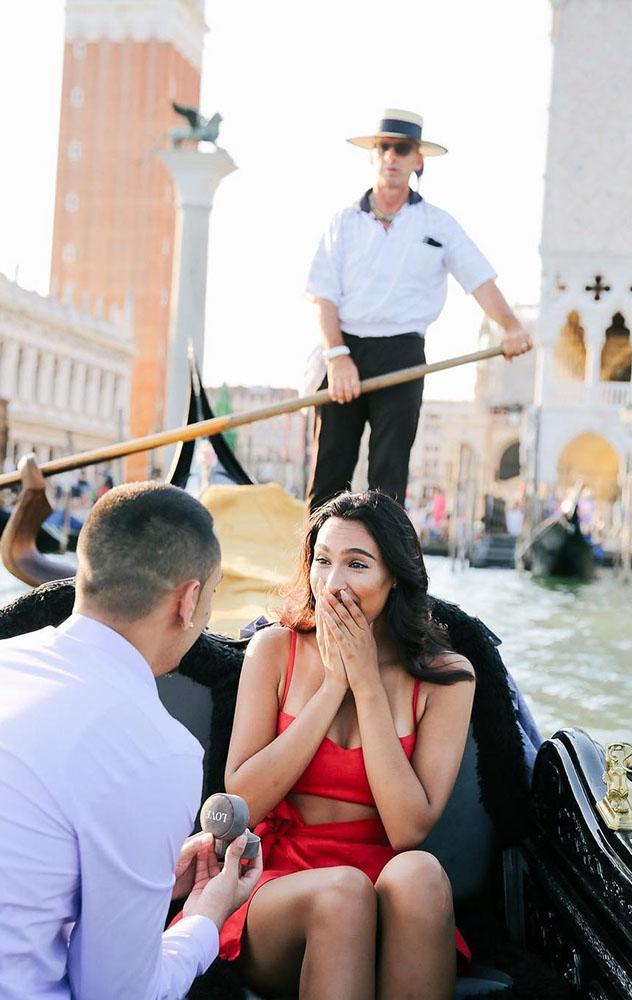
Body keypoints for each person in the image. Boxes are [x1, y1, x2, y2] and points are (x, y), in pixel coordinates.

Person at [0, 482, 263, 1000]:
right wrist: (205, 918)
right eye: (211, 597)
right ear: (189, 602)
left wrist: (157, 882)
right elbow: (117, 993)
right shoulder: (159, 751)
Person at [220, 489, 476, 1000]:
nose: (332, 584)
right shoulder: (274, 650)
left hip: (388, 889)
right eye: (322, 561)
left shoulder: (449, 678)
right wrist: (333, 685)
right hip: (278, 886)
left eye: (357, 565)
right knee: (342, 894)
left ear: (395, 578)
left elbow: (407, 830)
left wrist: (366, 683)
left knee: (421, 873)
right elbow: (243, 803)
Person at [305, 108, 533, 512]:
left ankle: (383, 571)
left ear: (417, 160)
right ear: (374, 156)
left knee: (389, 476)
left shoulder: (439, 225)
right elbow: (323, 296)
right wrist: (338, 357)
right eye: (384, 148)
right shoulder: (343, 222)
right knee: (329, 473)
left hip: (403, 353)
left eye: (402, 148)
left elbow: (480, 280)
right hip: (344, 351)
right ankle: (312, 569)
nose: (392, 156)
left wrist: (511, 327)